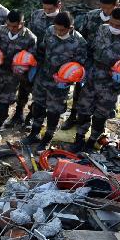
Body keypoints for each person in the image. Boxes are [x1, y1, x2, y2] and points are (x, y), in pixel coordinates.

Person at [71, 7, 120, 151]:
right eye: (112, 23)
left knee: (100, 115)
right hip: (92, 77)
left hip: (111, 84)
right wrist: (84, 69)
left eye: (118, 25)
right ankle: (79, 139)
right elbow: (90, 50)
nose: (114, 27)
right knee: (83, 110)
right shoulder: (103, 29)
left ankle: (91, 142)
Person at [25, 11, 87, 149]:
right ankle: (34, 133)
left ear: (70, 28)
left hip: (60, 84)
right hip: (43, 78)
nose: (58, 32)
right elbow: (42, 49)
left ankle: (48, 138)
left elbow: (80, 66)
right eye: (56, 28)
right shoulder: (50, 31)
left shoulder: (79, 43)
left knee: (54, 111)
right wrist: (35, 67)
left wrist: (67, 81)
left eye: (62, 30)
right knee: (38, 106)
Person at [63, 0, 119, 130]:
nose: (105, 11)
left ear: (116, 5)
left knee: (105, 97)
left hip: (108, 66)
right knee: (80, 91)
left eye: (109, 8)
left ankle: (99, 124)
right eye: (103, 7)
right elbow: (82, 36)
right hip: (89, 61)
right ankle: (73, 117)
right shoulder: (92, 15)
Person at [0, 10, 36, 142]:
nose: (11, 28)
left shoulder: (30, 38)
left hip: (12, 77)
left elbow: (31, 59)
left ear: (22, 23)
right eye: (9, 25)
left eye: (15, 26)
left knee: (4, 103)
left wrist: (23, 70)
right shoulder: (1, 30)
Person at [10, 0, 62, 127]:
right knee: (24, 86)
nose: (47, 11)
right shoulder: (37, 14)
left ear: (58, 6)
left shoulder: (62, 21)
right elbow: (28, 33)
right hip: (31, 57)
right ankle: (18, 113)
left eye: (50, 9)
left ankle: (32, 116)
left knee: (39, 91)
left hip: (49, 63)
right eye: (45, 8)